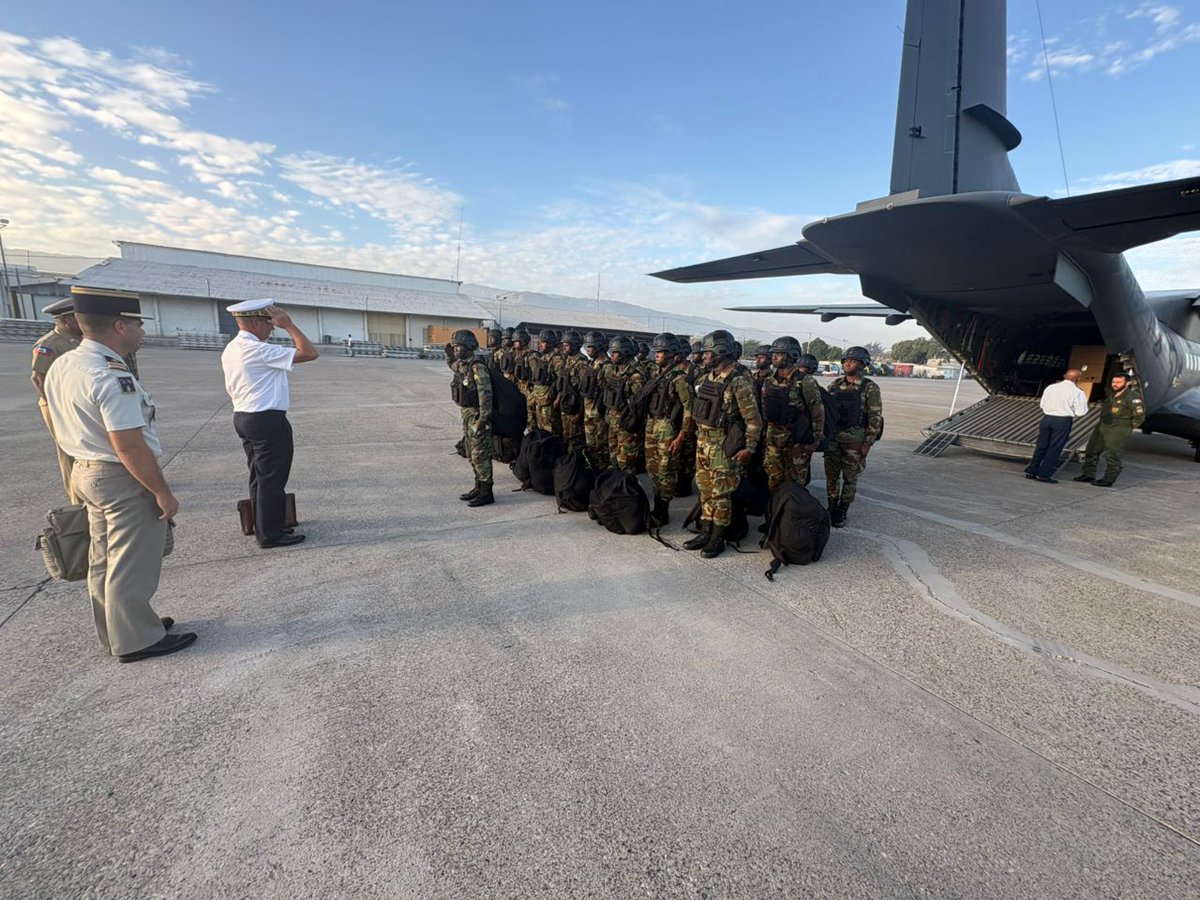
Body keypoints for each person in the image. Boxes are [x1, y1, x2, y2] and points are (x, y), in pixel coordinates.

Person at [43, 287, 196, 663]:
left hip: (86, 471)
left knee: (103, 558)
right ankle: (137, 639)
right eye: (137, 324)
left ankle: (117, 628)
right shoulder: (111, 375)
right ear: (119, 326)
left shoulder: (65, 364)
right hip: (119, 476)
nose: (142, 330)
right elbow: (128, 445)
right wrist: (161, 491)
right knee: (130, 561)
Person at [220, 299, 318, 548]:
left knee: (259, 477)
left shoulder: (232, 348)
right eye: (268, 323)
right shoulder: (258, 350)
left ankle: (263, 524)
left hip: (244, 417)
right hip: (265, 420)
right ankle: (271, 534)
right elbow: (309, 352)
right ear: (254, 323)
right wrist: (289, 325)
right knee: (272, 480)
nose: (272, 328)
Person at [684, 330, 762, 558]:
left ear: (719, 352)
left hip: (723, 447)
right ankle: (705, 531)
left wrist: (750, 448)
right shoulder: (705, 379)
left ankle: (718, 537)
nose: (703, 356)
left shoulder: (739, 383)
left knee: (721, 494)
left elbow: (753, 420)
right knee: (705, 490)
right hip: (703, 444)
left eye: (707, 352)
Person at [824, 346, 883, 528]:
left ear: (862, 365)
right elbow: (827, 411)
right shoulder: (835, 385)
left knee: (850, 477)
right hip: (834, 439)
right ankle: (831, 507)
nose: (847, 364)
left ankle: (842, 509)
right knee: (831, 476)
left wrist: (868, 443)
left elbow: (875, 417)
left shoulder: (870, 387)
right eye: (845, 361)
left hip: (855, 440)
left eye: (852, 361)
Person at [31, 297, 83, 502]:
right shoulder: (49, 344)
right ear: (66, 320)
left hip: (76, 403)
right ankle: (77, 500)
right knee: (69, 450)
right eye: (79, 318)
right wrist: (59, 406)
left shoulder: (79, 341)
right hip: (58, 406)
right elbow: (38, 377)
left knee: (84, 448)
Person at [762, 336, 825, 491]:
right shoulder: (770, 380)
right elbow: (765, 408)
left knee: (795, 482)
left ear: (791, 355)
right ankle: (776, 511)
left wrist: (815, 440)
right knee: (773, 479)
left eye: (779, 353)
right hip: (773, 440)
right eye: (773, 353)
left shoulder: (804, 381)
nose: (774, 356)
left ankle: (793, 513)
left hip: (796, 441)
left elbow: (817, 411)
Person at [643, 333, 694, 527]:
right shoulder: (658, 375)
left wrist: (682, 435)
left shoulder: (679, 378)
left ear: (672, 354)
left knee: (665, 470)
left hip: (668, 427)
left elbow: (689, 406)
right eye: (656, 351)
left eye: (661, 351)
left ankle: (662, 511)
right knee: (652, 468)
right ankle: (657, 506)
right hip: (652, 424)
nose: (656, 355)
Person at [447, 330, 496, 506]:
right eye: (455, 347)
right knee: (471, 453)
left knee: (480, 455)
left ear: (468, 347)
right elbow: (452, 365)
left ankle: (486, 492)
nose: (456, 350)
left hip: (477, 417)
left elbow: (485, 394)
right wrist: (448, 355)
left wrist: (483, 418)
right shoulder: (463, 364)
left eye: (458, 346)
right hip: (467, 416)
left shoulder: (477, 366)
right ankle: (478, 486)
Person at [1075, 372, 1145, 487]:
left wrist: (1126, 426)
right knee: (1092, 449)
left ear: (1127, 383)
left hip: (1118, 428)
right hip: (1103, 425)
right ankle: (1088, 474)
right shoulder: (1112, 394)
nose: (1115, 384)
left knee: (1113, 454)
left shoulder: (1133, 397)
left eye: (1118, 382)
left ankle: (1109, 479)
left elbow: (1139, 416)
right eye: (1113, 382)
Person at [1025, 369, 1089, 483]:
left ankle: (1032, 470)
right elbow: (1081, 412)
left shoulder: (1051, 388)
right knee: (1055, 447)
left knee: (1041, 445)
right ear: (1078, 379)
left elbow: (1042, 405)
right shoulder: (1077, 392)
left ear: (1065, 376)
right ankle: (1044, 474)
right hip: (1062, 421)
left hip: (1047, 419)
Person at [602, 335, 646, 473]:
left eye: (615, 352)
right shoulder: (614, 372)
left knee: (626, 461)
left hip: (627, 423)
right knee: (613, 457)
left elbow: (639, 404)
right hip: (613, 421)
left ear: (624, 353)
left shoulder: (635, 375)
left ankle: (627, 490)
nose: (612, 355)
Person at [580, 331, 610, 469]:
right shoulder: (591, 363)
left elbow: (608, 391)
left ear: (599, 347)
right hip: (588, 410)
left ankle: (602, 474)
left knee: (601, 446)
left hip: (599, 412)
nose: (588, 349)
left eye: (591, 347)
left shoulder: (606, 365)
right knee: (590, 445)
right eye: (587, 346)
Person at [555, 330, 588, 452]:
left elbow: (583, 387)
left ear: (575, 345)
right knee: (566, 435)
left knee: (575, 437)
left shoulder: (582, 362)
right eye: (563, 345)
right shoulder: (567, 361)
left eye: (567, 345)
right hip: (566, 403)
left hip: (575, 405)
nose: (564, 348)